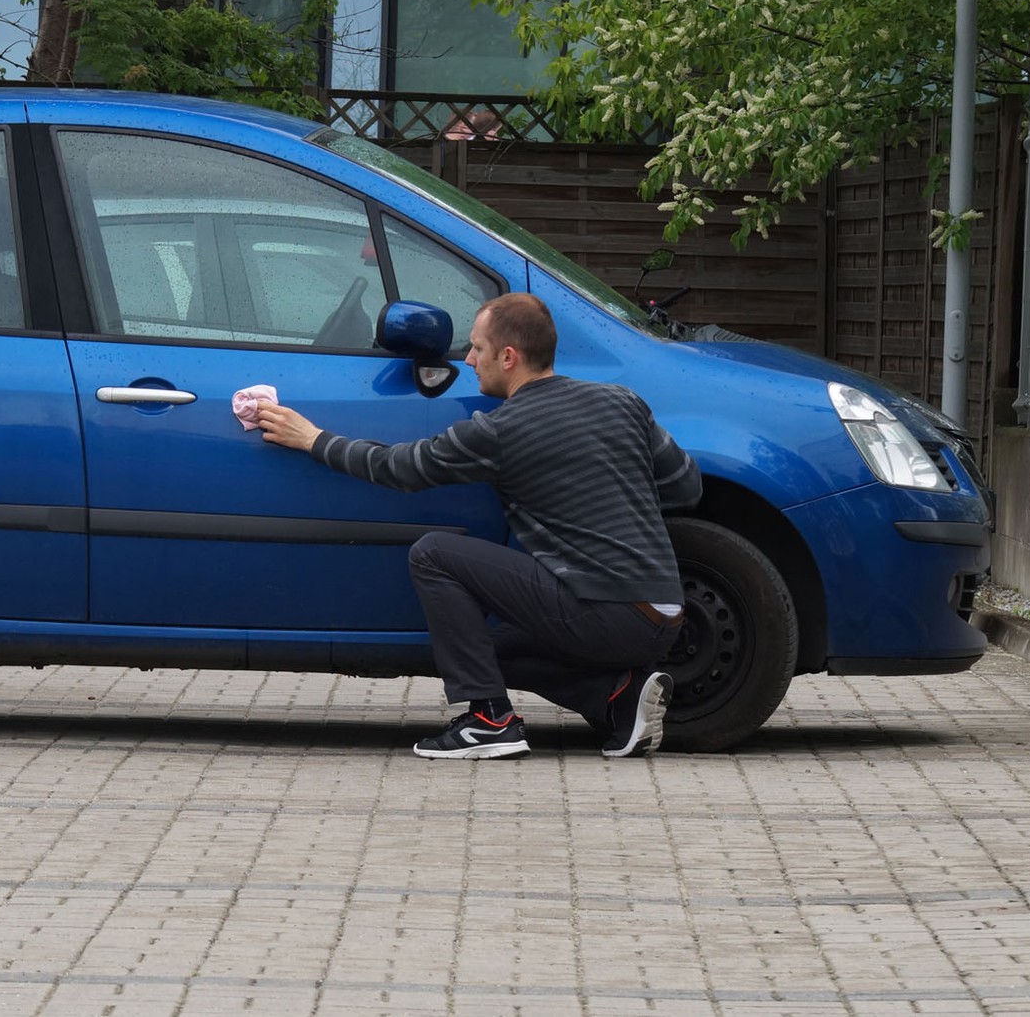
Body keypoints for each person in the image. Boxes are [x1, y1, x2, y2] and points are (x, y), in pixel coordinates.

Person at [255, 292, 701, 760]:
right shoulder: (622, 402)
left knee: (433, 553)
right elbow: (685, 487)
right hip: (666, 615)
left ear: (508, 357)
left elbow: (399, 468)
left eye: (477, 348)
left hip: (607, 615)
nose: (468, 359)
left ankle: (490, 722)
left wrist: (313, 439)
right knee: (488, 651)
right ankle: (619, 699)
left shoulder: (500, 430)